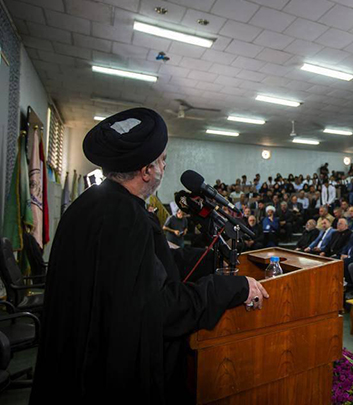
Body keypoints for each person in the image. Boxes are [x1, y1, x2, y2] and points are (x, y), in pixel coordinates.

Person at [31, 108, 268, 403]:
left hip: (70, 361)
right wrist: (229, 288)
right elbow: (160, 309)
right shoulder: (129, 220)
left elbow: (146, 266)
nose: (165, 167)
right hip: (108, 378)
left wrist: (209, 259)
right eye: (163, 160)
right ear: (146, 171)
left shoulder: (89, 205)